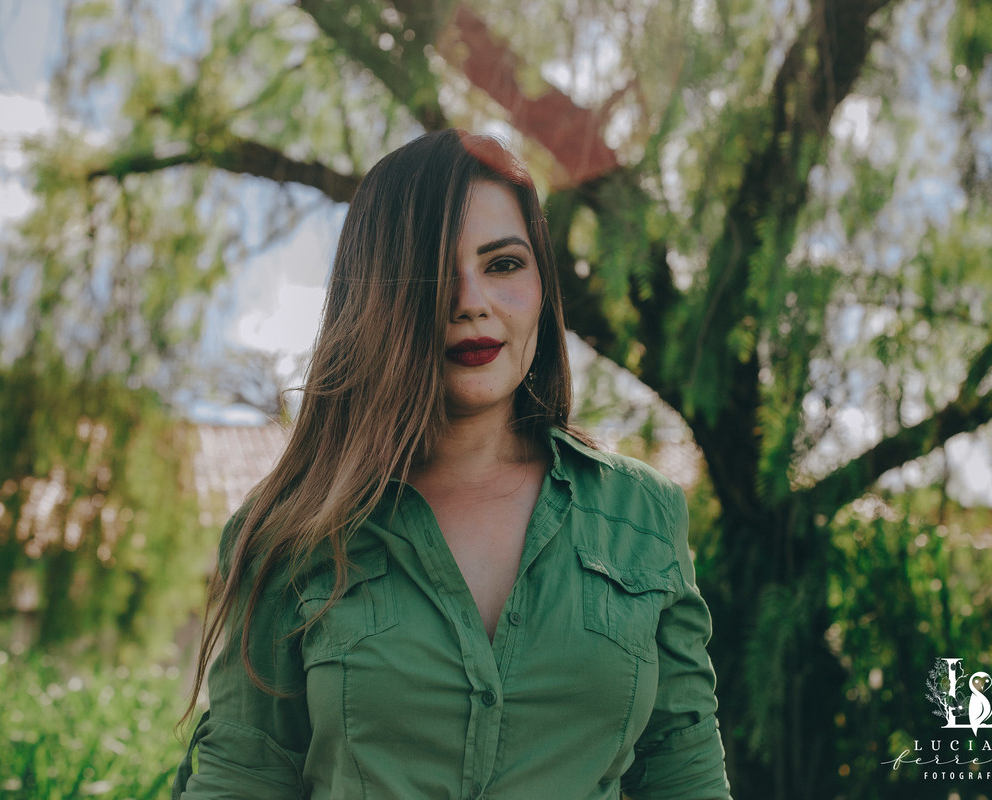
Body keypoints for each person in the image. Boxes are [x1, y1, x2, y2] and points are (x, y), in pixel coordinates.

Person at [172, 129, 731, 799]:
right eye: (436, 271)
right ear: (378, 296)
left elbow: (683, 771)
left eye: (503, 264)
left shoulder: (642, 516)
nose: (470, 301)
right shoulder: (287, 537)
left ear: (543, 287)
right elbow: (242, 780)